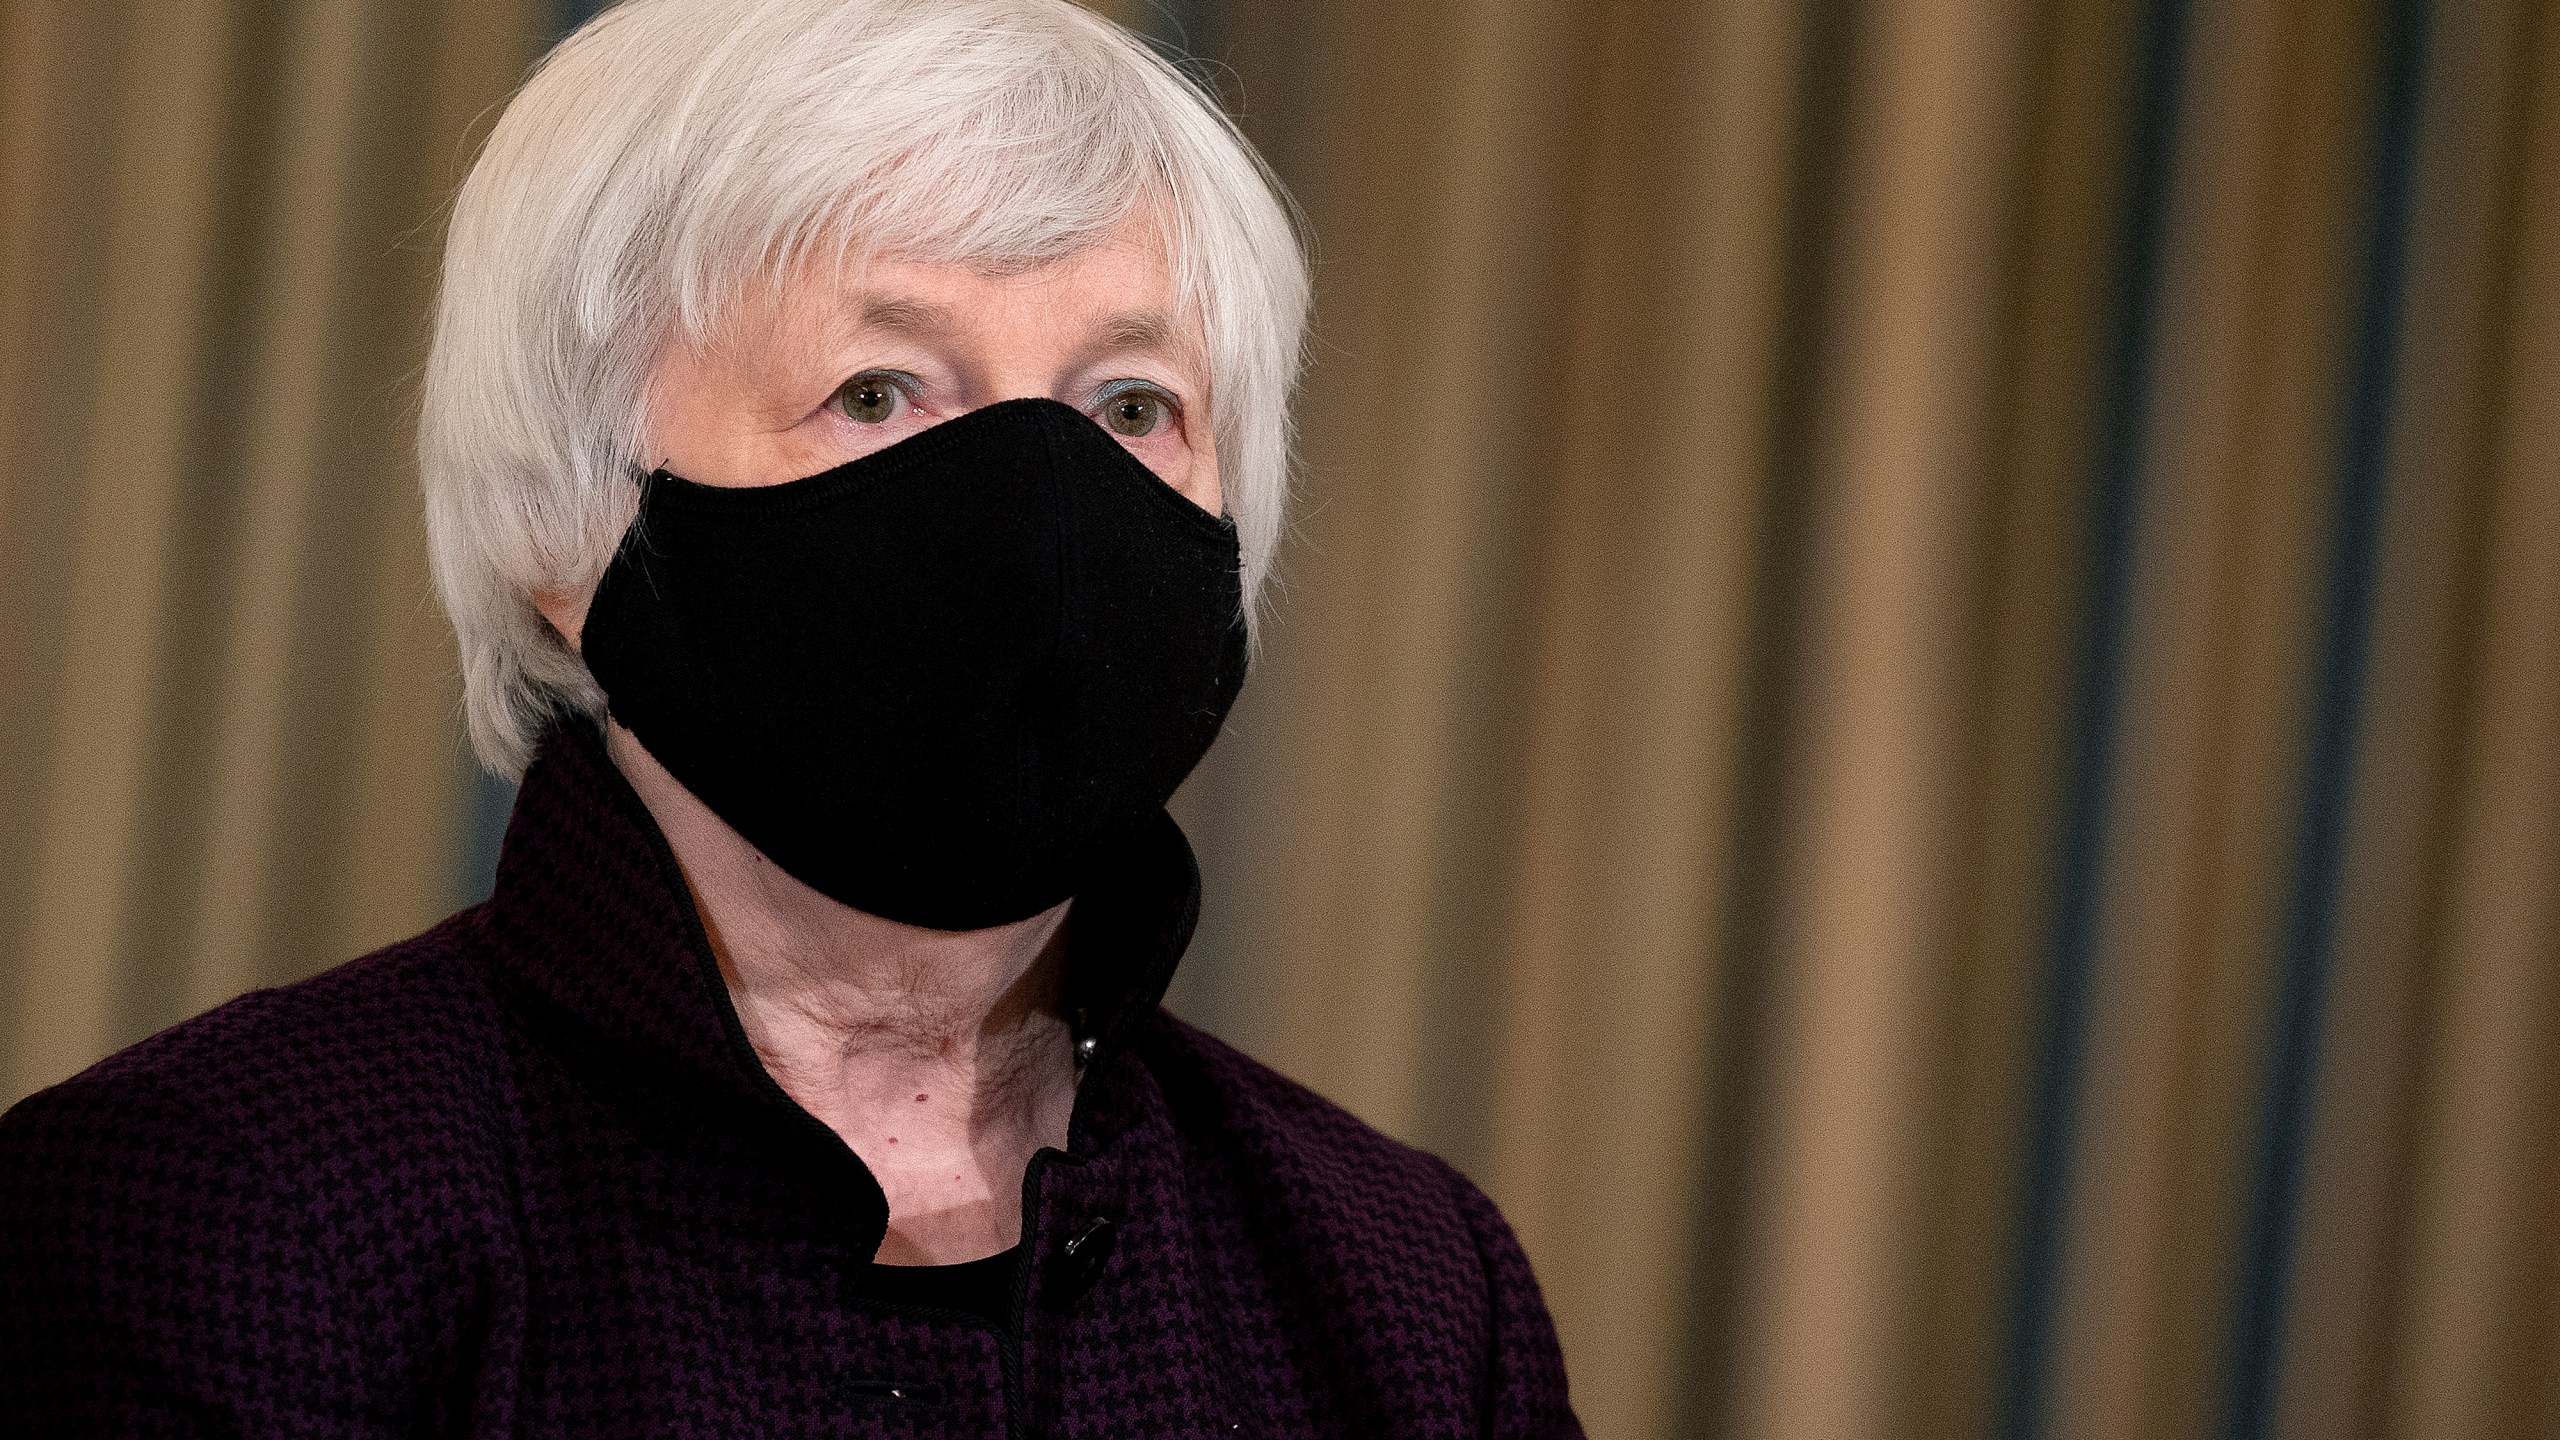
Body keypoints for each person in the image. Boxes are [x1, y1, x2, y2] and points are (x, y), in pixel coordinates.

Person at [0, 1, 1581, 1434]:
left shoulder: (1412, 1293)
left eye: (1129, 408)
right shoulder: (223, 1215)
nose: (1043, 516)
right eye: (881, 390)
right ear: (568, 515)